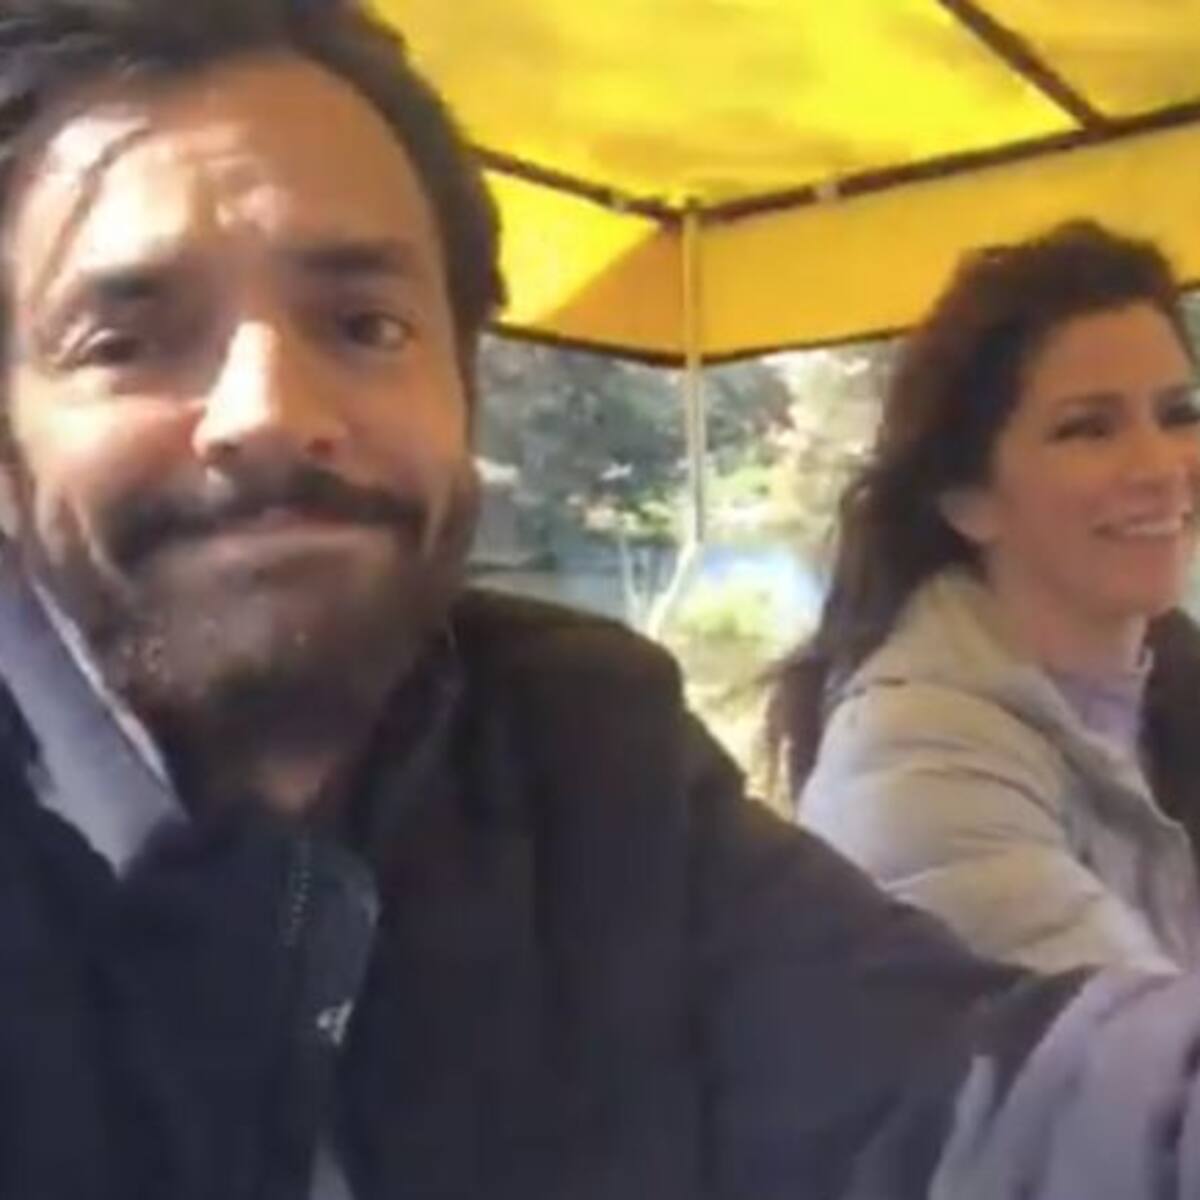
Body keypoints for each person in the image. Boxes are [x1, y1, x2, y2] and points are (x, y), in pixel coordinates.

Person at [5, 5, 1200, 1200]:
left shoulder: (580, 754)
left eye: (367, 326)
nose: (269, 410)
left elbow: (975, 1097)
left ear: (464, 389)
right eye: (124, 342)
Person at [773, 222, 1200, 973]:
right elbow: (1124, 1041)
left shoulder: (1169, 685)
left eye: (1178, 413)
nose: (1162, 466)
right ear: (967, 499)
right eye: (1088, 429)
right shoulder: (915, 766)